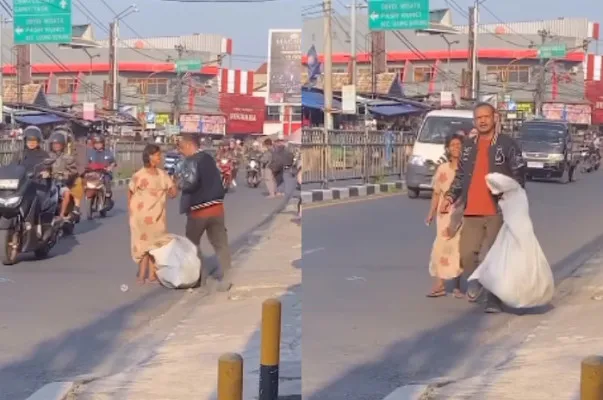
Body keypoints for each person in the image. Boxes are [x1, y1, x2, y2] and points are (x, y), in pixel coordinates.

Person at [440, 102, 526, 314]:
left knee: (496, 256)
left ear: (494, 117)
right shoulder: (468, 146)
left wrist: (512, 197)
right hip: (472, 211)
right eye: (478, 118)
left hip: (497, 210)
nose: (483, 121)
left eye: (486, 116)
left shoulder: (507, 144)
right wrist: (450, 197)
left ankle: (494, 299)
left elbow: (520, 173)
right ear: (474, 121)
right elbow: (460, 176)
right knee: (466, 253)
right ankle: (476, 279)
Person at [176, 133, 232, 292]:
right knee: (220, 244)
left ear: (188, 145)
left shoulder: (191, 161)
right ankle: (227, 277)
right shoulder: (208, 158)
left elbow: (190, 183)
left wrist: (180, 185)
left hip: (199, 211)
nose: (181, 152)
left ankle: (199, 278)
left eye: (181, 148)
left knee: (191, 245)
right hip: (217, 208)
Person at [128, 144, 177, 284]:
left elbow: (172, 192)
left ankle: (152, 274)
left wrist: (174, 186)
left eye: (159, 155)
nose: (159, 158)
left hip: (157, 217)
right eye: (157, 155)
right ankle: (142, 274)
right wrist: (131, 213)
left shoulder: (163, 175)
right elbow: (130, 192)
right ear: (149, 157)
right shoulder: (139, 175)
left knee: (156, 244)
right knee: (143, 245)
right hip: (140, 216)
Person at [425, 133, 464, 298]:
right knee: (440, 247)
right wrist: (431, 213)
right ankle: (439, 284)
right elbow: (436, 193)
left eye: (459, 145)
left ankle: (457, 285)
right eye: (453, 145)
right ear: (448, 148)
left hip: (461, 214)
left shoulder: (467, 170)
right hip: (444, 215)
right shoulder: (442, 169)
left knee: (458, 248)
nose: (456, 148)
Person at [48, 131, 78, 222]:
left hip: (61, 183)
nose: (56, 146)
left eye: (58, 144)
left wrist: (66, 174)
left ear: (62, 145)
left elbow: (73, 171)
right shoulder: (47, 156)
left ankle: (61, 215)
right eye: (54, 144)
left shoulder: (68, 158)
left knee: (67, 193)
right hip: (48, 183)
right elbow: (41, 167)